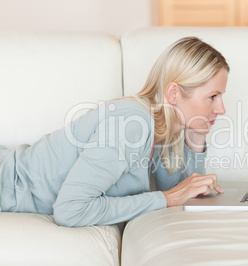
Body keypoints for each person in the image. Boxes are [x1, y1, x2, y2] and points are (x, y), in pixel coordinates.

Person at [0, 37, 229, 227]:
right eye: (212, 97)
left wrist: (197, 138)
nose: (221, 109)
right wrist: (168, 198)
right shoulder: (130, 123)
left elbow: (181, 191)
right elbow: (70, 211)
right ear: (173, 94)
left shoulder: (164, 130)